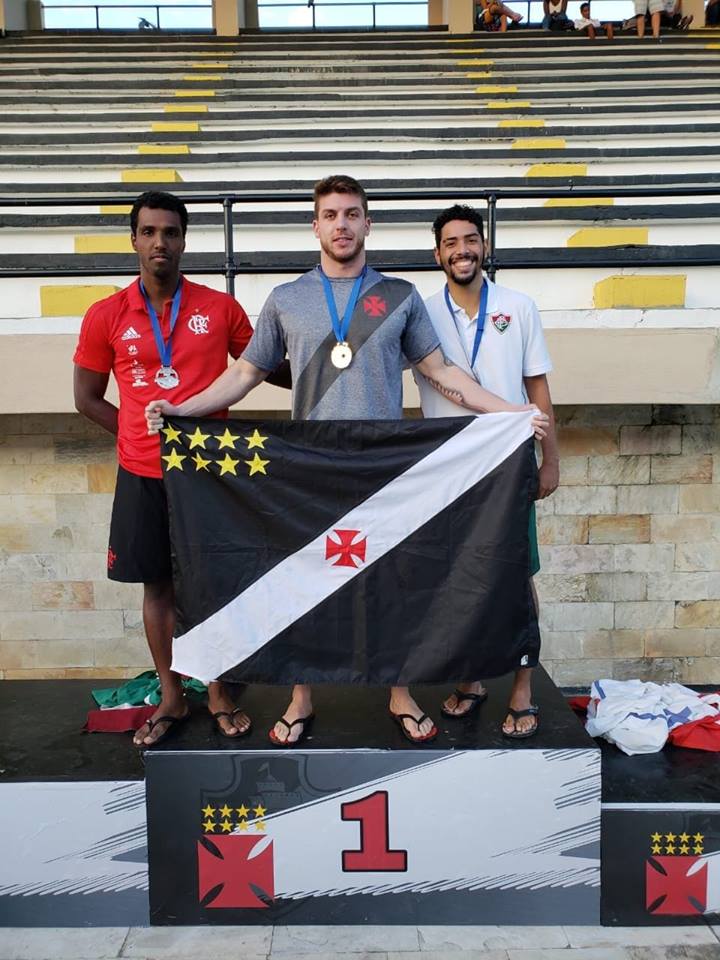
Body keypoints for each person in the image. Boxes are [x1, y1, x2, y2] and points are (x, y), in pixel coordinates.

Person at [145, 174, 549, 746]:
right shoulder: (287, 299)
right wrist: (181, 410)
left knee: (392, 579)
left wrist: (512, 412)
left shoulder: (398, 296)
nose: (342, 225)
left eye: (352, 214)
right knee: (305, 579)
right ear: (315, 226)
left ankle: (399, 692)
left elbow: (441, 372)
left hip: (384, 467)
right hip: (308, 468)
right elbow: (245, 373)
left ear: (367, 223)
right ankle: (301, 696)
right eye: (331, 215)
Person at [73, 190, 286, 748]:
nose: (160, 242)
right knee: (158, 586)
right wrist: (133, 433)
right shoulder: (105, 315)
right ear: (134, 239)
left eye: (170, 232)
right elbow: (86, 398)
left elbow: (266, 368)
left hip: (207, 474)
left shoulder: (220, 309)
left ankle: (216, 692)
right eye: (149, 232)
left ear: (184, 240)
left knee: (211, 585)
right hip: (142, 472)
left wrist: (332, 358)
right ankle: (171, 695)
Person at [415, 204, 560, 739]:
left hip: (509, 463)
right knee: (459, 577)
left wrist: (551, 458)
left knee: (516, 575)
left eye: (471, 240)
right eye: (451, 243)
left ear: (485, 246)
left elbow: (537, 387)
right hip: (449, 467)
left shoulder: (518, 306)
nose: (463, 250)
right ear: (438, 254)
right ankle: (471, 679)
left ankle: (522, 688)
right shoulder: (420, 313)